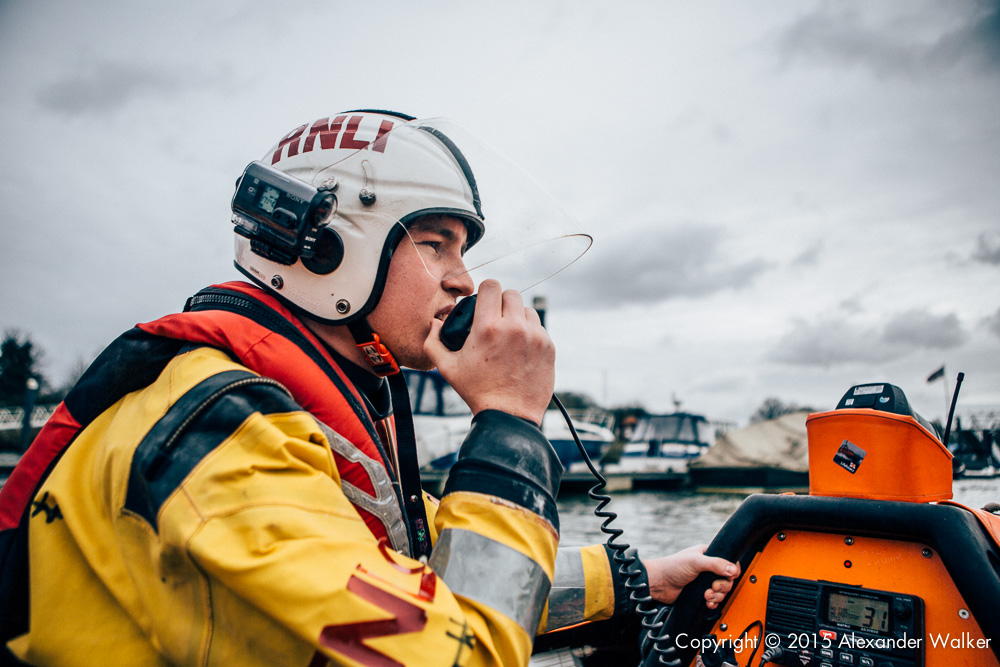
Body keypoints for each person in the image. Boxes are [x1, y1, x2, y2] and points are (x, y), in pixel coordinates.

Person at [0, 110, 738, 666]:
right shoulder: (224, 437)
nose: (463, 279)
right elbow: (458, 648)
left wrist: (642, 575)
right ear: (330, 249)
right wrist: (510, 420)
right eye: (434, 243)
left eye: (464, 250)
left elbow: (427, 578)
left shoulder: (304, 415)